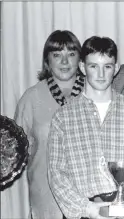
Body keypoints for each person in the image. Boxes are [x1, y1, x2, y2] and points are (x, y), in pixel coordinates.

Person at [48, 36, 124, 219]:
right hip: (86, 211)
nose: (101, 74)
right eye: (93, 66)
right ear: (83, 67)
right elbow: (57, 173)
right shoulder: (63, 117)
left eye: (107, 66)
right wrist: (87, 209)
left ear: (116, 68)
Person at [14, 30, 84, 218]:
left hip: (89, 201)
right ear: (47, 61)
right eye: (56, 55)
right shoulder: (31, 98)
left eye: (71, 54)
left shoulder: (95, 94)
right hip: (47, 201)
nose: (64, 62)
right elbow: (15, 152)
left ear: (80, 60)